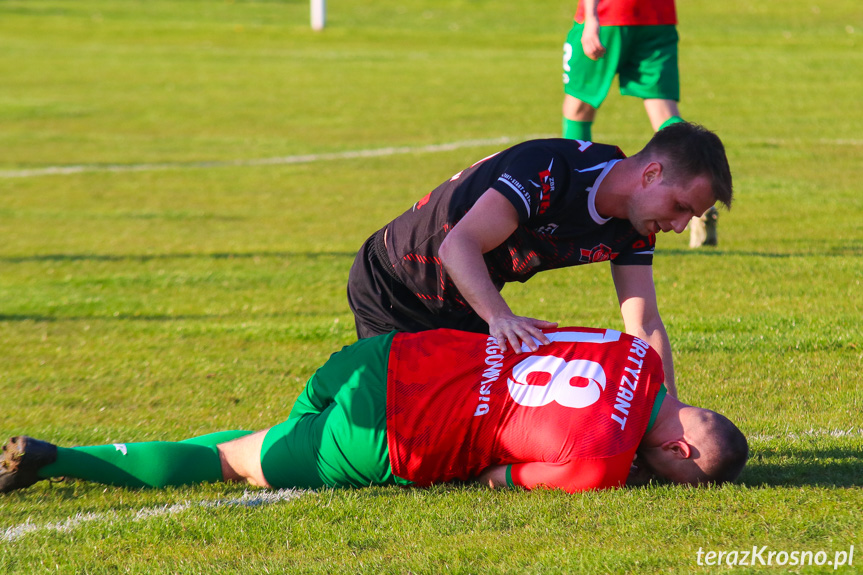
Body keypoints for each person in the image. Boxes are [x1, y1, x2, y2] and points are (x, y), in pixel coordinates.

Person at [1, 327, 748, 495]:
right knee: (234, 462)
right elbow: (493, 478)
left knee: (270, 437)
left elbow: (539, 337)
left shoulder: (638, 354)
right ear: (679, 454)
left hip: (387, 356)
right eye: (676, 480)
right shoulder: (599, 467)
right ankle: (54, 457)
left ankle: (283, 440)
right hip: (395, 436)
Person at [347, 122, 733, 396]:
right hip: (394, 283)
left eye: (692, 217)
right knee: (392, 424)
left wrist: (668, 412)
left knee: (462, 422)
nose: (681, 227)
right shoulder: (550, 170)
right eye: (680, 207)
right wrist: (500, 317)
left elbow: (644, 322)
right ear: (651, 174)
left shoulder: (637, 226)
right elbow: (458, 246)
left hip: (469, 301)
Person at [561, 0, 719, 247]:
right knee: (663, 111)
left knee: (578, 107)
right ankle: (697, 193)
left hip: (610, 14)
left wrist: (591, 18)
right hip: (658, 15)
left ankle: (572, 199)